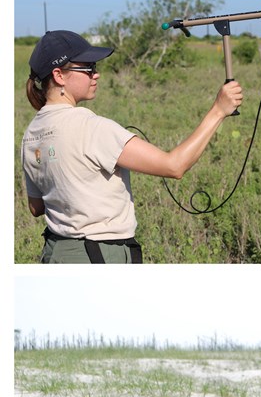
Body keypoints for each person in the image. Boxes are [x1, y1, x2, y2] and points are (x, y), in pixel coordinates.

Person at [21, 30, 242, 263]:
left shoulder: (31, 133)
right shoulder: (93, 128)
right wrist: (218, 110)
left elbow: (36, 207)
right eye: (88, 68)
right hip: (100, 256)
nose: (96, 75)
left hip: (55, 254)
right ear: (59, 75)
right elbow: (175, 165)